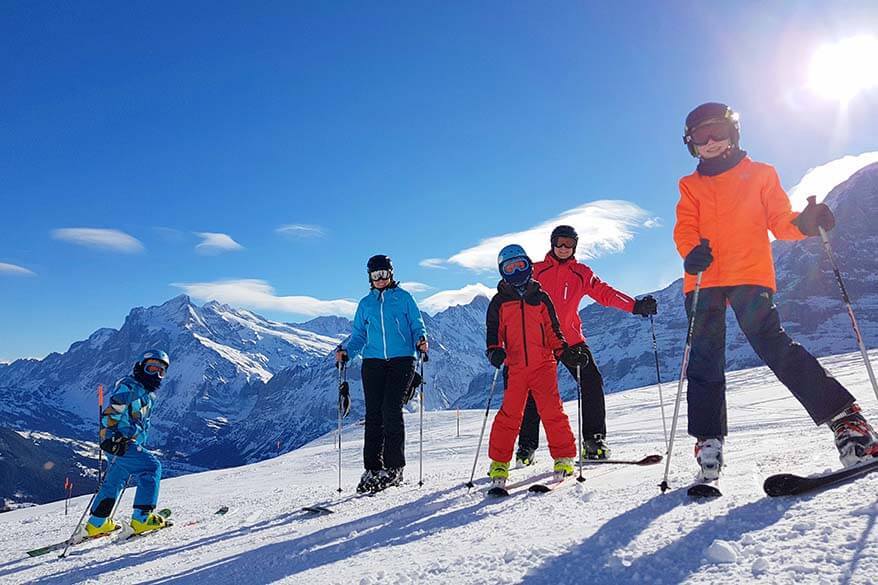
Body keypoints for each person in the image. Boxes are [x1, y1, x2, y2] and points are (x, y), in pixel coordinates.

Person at [675, 101, 878, 481]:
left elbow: (780, 221)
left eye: (717, 131)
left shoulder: (761, 175)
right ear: (691, 144)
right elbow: (684, 228)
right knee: (704, 360)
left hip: (749, 275)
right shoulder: (690, 186)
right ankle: (708, 442)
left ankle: (848, 423)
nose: (711, 141)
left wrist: (805, 223)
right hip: (704, 280)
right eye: (701, 136)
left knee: (773, 344)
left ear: (733, 132)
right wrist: (691, 252)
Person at [515, 225, 658, 466]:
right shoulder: (536, 271)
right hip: (540, 342)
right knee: (533, 393)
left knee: (592, 381)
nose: (563, 248)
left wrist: (634, 306)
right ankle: (526, 447)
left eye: (568, 244)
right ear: (552, 244)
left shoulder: (581, 273)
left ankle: (594, 441)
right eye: (559, 243)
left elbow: (604, 293)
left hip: (571, 340)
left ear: (575, 247)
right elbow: (514, 293)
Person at [484, 244, 587, 488]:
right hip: (515, 367)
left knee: (551, 411)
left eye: (520, 265)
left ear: (528, 265)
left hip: (543, 365)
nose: (516, 271)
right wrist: (494, 351)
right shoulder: (499, 302)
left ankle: (563, 456)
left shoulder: (540, 297)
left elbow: (554, 331)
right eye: (510, 267)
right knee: (510, 414)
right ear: (502, 272)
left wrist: (565, 352)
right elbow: (493, 333)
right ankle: (499, 462)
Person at [336, 255, 428, 494]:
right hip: (373, 361)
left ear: (391, 274)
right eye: (375, 275)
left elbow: (417, 324)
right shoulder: (365, 304)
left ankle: (395, 467)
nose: (380, 279)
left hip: (402, 359)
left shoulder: (404, 298)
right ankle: (373, 467)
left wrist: (421, 339)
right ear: (369, 278)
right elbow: (359, 336)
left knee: (391, 409)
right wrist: (347, 352)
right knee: (374, 415)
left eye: (384, 274)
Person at [84, 349, 170, 537]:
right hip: (118, 442)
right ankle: (142, 519)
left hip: (124, 442)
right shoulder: (129, 386)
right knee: (151, 467)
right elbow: (112, 411)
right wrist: (110, 437)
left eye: (161, 371)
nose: (156, 374)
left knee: (114, 480)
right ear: (141, 367)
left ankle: (97, 523)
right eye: (152, 369)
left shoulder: (148, 394)